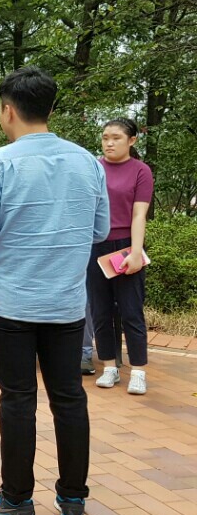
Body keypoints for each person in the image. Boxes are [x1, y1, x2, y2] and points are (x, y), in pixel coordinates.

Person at [0, 66, 109, 515]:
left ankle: (16, 500)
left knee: (18, 398)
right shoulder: (88, 162)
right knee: (69, 398)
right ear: (49, 108)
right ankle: (73, 500)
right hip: (66, 303)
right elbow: (101, 230)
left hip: (10, 301)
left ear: (8, 110)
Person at [88, 118, 153, 395]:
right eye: (105, 138)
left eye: (116, 138)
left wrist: (136, 252)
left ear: (132, 140)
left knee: (131, 310)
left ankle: (138, 371)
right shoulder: (94, 168)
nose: (109, 143)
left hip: (126, 246)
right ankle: (109, 367)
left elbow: (139, 215)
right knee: (100, 310)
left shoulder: (141, 171)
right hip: (95, 245)